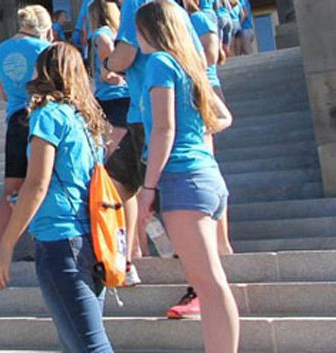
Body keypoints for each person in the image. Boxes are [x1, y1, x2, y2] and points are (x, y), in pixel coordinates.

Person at [0, 42, 116, 353]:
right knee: (77, 341)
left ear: (44, 71)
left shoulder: (48, 114)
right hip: (87, 239)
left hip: (59, 241)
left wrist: (4, 246)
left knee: (89, 346)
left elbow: (36, 184)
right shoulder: (83, 120)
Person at [131, 2, 240, 351]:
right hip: (206, 174)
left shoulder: (160, 63)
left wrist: (148, 187)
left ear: (149, 29)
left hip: (182, 178)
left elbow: (163, 128)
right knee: (211, 282)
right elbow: (223, 117)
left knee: (208, 284)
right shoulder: (189, 62)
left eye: (137, 30)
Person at [0, 4, 55, 265]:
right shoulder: (46, 49)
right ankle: (39, 246)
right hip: (42, 118)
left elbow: (3, 94)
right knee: (41, 182)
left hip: (16, 121)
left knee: (11, 188)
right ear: (46, 28)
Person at [91, 0, 149, 264]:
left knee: (123, 183)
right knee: (123, 184)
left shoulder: (102, 32)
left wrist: (107, 67)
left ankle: (131, 249)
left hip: (121, 106)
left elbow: (117, 60)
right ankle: (132, 250)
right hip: (132, 105)